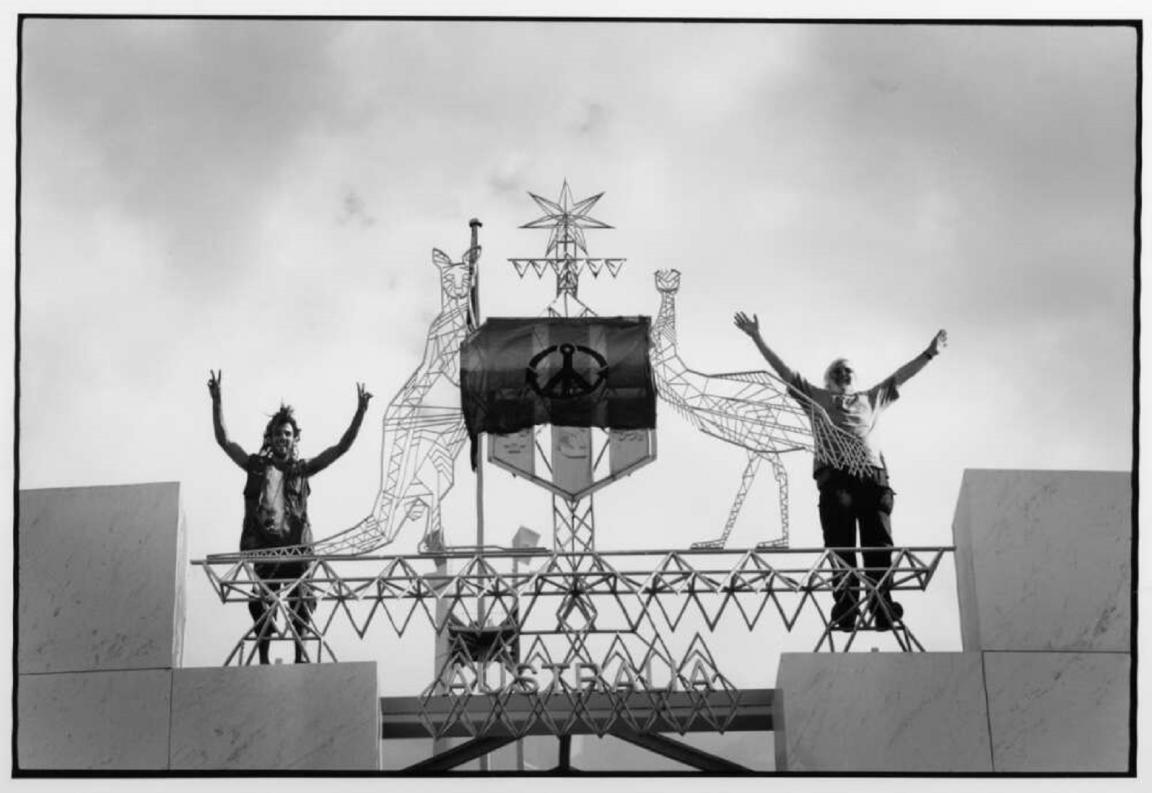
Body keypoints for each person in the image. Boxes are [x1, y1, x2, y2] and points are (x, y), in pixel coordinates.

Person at [733, 312, 947, 631]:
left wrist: (929, 354)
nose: (844, 373)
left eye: (848, 370)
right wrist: (757, 338)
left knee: (879, 546)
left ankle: (881, 605)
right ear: (828, 379)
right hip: (836, 481)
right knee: (841, 545)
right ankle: (846, 606)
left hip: (872, 479)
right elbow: (785, 373)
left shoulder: (870, 398)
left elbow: (901, 375)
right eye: (838, 370)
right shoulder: (816, 398)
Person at [208, 370, 372, 663]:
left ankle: (300, 657)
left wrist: (359, 413)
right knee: (261, 605)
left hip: (296, 549)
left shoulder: (301, 469)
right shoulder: (256, 465)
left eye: (287, 434)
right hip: (265, 548)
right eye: (278, 434)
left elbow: (340, 448)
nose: (282, 438)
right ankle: (263, 659)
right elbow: (224, 441)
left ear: (294, 438)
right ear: (269, 439)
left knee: (301, 603)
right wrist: (217, 401)